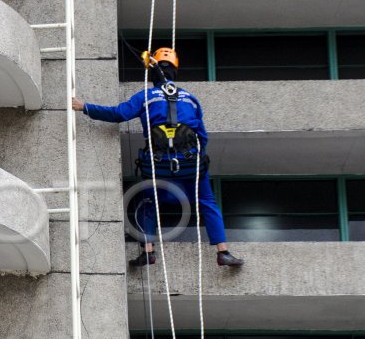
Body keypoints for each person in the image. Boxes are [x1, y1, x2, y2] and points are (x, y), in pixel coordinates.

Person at [71, 46, 244, 268]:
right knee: (207, 202)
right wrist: (197, 159)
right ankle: (223, 252)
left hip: (159, 164)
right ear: (174, 72)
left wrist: (85, 107)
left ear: (153, 74)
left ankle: (148, 251)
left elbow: (119, 114)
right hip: (192, 163)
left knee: (148, 204)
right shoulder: (190, 99)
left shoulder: (146, 96)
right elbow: (202, 135)